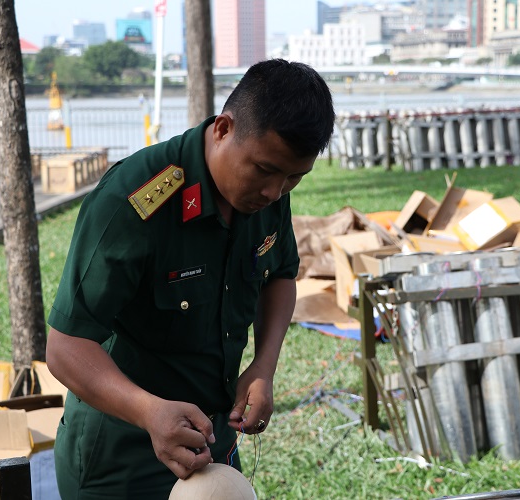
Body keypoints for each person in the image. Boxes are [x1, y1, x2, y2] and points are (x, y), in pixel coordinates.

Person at [46, 58, 335, 499]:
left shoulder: (267, 195)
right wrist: (149, 413)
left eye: (294, 177)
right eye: (264, 170)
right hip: (121, 455)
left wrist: (264, 366)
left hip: (211, 442)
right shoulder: (135, 202)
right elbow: (66, 347)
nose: (275, 192)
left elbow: (279, 274)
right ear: (223, 129)